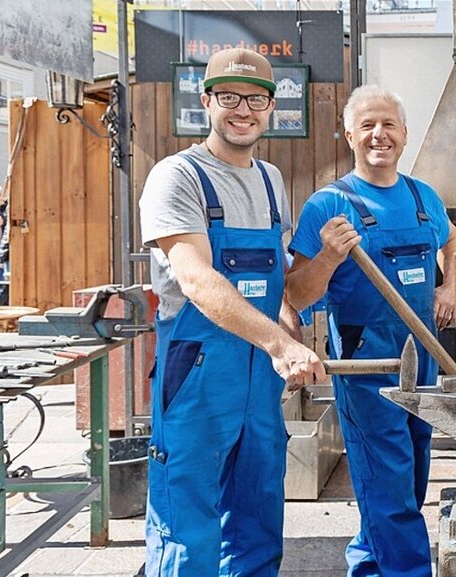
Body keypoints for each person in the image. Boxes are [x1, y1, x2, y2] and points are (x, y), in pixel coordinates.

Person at [138, 47, 326, 576]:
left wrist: (293, 320)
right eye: (228, 97)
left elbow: (277, 285)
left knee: (257, 515)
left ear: (271, 107)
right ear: (206, 101)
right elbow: (197, 279)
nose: (242, 110)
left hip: (258, 383)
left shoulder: (271, 181)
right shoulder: (177, 177)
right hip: (199, 370)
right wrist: (278, 343)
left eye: (256, 99)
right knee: (187, 520)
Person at [285, 84, 456, 577]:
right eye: (367, 125)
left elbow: (451, 240)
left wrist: (449, 286)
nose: (378, 134)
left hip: (423, 355)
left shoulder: (421, 195)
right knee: (387, 483)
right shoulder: (327, 205)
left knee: (411, 475)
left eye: (388, 124)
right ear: (348, 135)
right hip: (370, 363)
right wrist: (326, 257)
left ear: (405, 134)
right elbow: (295, 295)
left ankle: (367, 567)